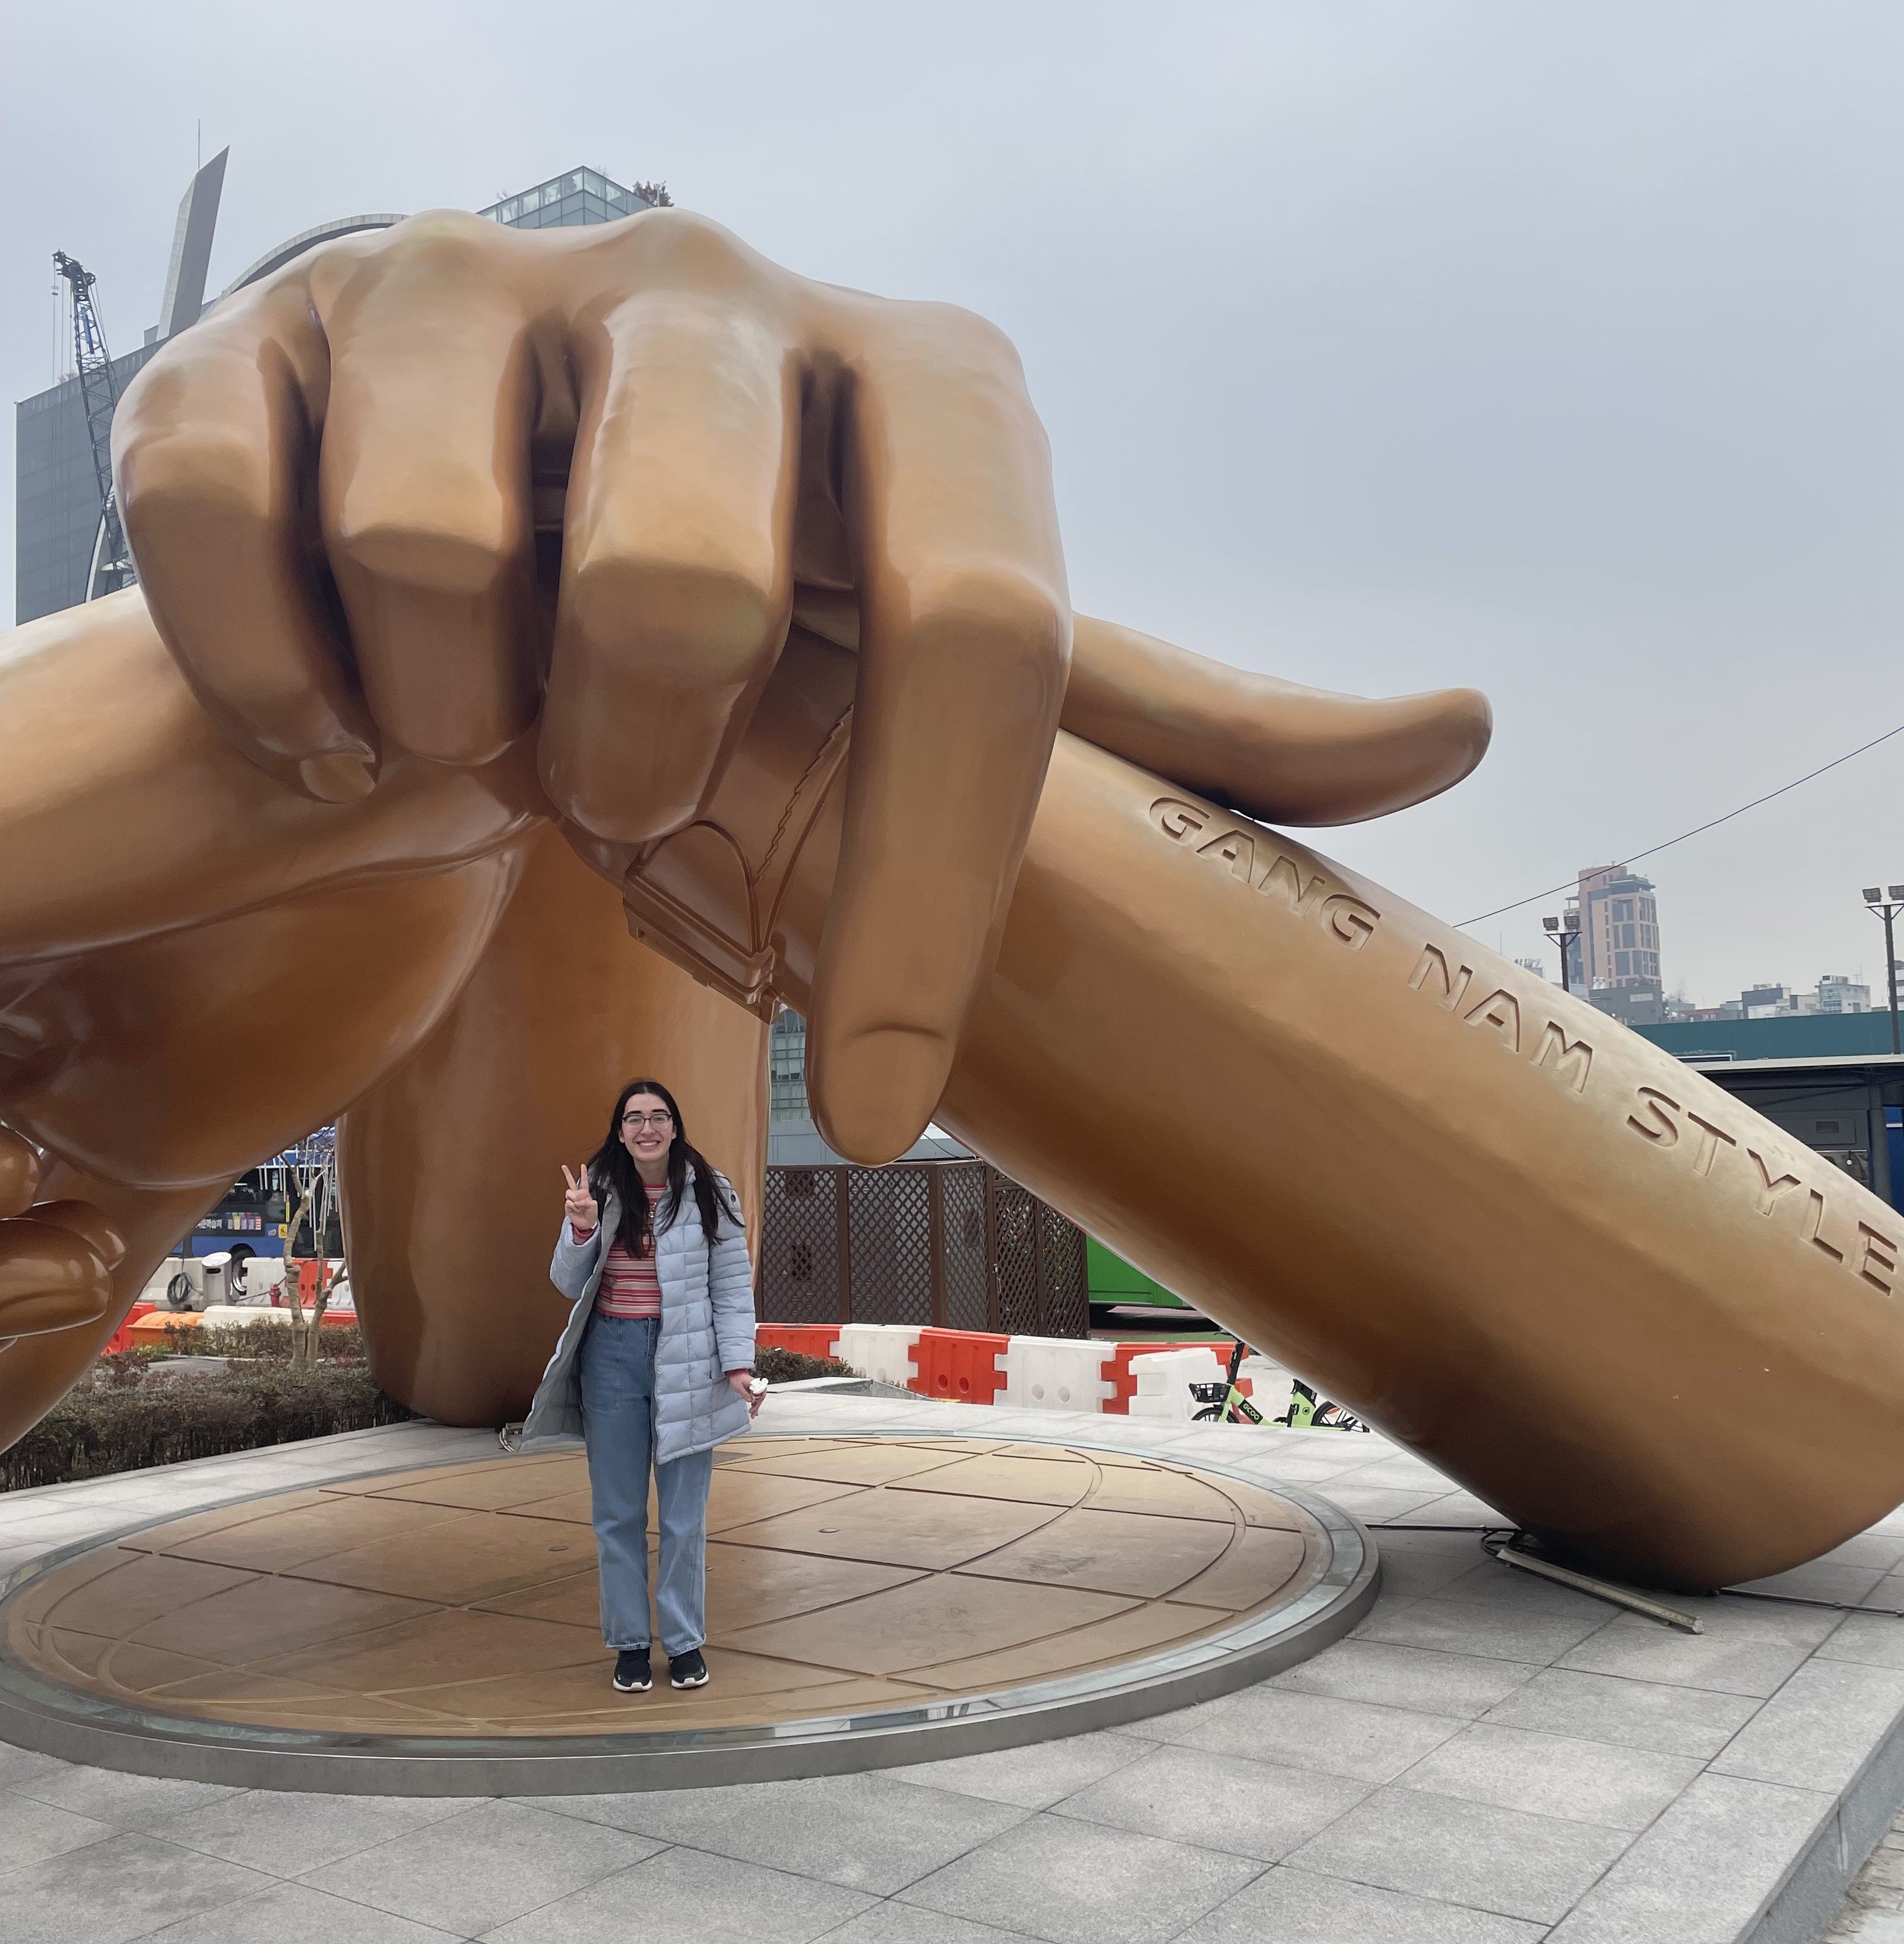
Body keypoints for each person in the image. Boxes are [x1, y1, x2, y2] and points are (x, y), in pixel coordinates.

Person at [523, 1078, 759, 1693]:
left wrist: (737, 1364)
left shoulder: (712, 1192)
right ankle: (630, 1644)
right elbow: (567, 1284)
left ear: (675, 1128)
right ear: (620, 1131)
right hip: (613, 1357)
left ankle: (683, 1643)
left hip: (689, 1360)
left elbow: (733, 1290)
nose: (647, 1128)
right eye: (635, 1118)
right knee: (618, 1513)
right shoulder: (597, 1188)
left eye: (658, 1117)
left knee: (684, 1517)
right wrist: (580, 1229)